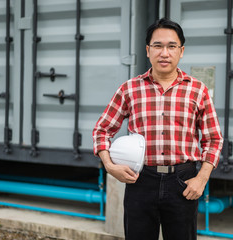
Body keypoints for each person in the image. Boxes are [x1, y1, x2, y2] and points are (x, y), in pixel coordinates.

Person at [93, 18, 223, 240]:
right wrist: (109, 166)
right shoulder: (129, 89)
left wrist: (201, 178)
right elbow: (102, 130)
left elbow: (213, 139)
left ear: (181, 51)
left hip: (183, 182)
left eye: (172, 46)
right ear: (147, 50)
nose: (165, 53)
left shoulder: (197, 90)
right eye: (158, 46)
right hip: (140, 179)